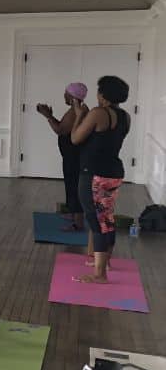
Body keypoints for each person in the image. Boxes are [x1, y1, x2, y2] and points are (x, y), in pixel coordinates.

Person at [70, 76, 131, 283]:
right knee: (106, 217)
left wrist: (79, 115)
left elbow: (75, 138)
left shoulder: (98, 113)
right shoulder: (125, 116)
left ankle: (99, 274)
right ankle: (106, 262)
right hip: (114, 172)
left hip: (94, 174)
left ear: (103, 95)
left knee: (96, 222)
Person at [36, 83, 89, 230]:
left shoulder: (75, 113)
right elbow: (64, 127)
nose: (64, 96)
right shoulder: (75, 111)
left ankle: (77, 223)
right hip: (72, 155)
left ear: (73, 96)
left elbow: (60, 130)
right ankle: (73, 214)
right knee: (71, 183)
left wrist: (47, 116)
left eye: (66, 93)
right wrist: (50, 116)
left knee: (74, 185)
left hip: (74, 156)